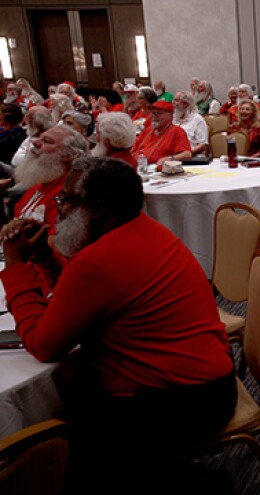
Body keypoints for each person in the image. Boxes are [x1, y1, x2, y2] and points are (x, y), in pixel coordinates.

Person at [0, 157, 236, 492]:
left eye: (66, 200)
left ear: (97, 208)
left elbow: (44, 345)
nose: (60, 209)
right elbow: (85, 300)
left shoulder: (99, 261)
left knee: (61, 430)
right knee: (72, 391)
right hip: (209, 383)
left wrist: (13, 267)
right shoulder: (140, 230)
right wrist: (42, 258)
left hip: (181, 404)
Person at [11, 125, 89, 228]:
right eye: (39, 137)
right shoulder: (39, 184)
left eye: (47, 141)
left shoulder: (69, 196)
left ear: (69, 155)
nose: (35, 142)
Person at [130, 101, 192, 167]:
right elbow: (132, 152)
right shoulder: (147, 131)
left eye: (159, 113)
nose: (154, 116)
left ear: (170, 117)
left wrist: (170, 159)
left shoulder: (176, 131)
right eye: (153, 113)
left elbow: (187, 154)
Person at [172, 91, 208, 156]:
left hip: (192, 157)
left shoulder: (198, 120)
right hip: (173, 157)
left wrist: (186, 153)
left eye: (176, 100)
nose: (173, 103)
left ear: (185, 104)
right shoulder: (173, 119)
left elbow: (203, 145)